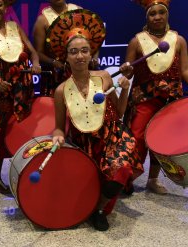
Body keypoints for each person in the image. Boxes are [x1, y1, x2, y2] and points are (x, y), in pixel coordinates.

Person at [50, 9, 143, 231]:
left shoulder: (103, 77)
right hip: (85, 146)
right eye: (74, 52)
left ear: (92, 54)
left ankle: (98, 210)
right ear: (66, 56)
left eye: (84, 51)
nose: (80, 56)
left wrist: (126, 91)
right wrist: (57, 137)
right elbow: (58, 128)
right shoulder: (61, 91)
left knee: (121, 168)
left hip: (113, 138)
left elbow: (118, 113)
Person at [0, 0, 41, 194]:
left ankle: (23, 170)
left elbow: (32, 51)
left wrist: (35, 62)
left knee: (22, 131)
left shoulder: (15, 27)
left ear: (5, 7)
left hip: (22, 91)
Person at [122, 0, 188, 194]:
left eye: (161, 12)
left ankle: (153, 179)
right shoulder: (136, 41)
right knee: (137, 138)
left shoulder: (179, 40)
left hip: (171, 100)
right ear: (147, 17)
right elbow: (129, 72)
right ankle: (127, 178)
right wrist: (126, 70)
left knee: (161, 140)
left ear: (167, 14)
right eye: (153, 14)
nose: (157, 17)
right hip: (144, 99)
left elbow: (184, 71)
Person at [32, 0, 81, 96]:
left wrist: (94, 58)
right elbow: (38, 53)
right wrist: (54, 62)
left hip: (80, 70)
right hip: (55, 75)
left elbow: (93, 39)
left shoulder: (78, 11)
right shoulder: (42, 20)